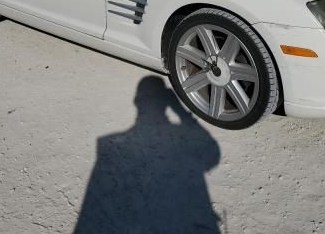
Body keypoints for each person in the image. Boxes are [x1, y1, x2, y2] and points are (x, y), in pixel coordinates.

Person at [73, 76, 221, 233]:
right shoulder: (181, 136)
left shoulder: (109, 146)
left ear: (136, 102)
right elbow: (212, 156)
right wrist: (180, 110)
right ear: (166, 103)